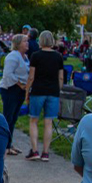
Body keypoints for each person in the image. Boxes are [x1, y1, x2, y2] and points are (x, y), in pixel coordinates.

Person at [25, 30, 64, 161]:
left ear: (40, 41)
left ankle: (34, 150)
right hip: (53, 91)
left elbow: (31, 76)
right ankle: (46, 152)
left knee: (33, 120)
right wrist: (58, 91)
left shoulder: (35, 56)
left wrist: (27, 92)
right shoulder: (58, 56)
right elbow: (61, 77)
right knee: (49, 122)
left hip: (38, 90)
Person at [0, 34, 30, 155]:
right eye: (24, 41)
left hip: (21, 90)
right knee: (8, 118)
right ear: (17, 43)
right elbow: (8, 74)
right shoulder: (13, 56)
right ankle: (5, 145)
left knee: (14, 118)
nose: (27, 43)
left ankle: (9, 143)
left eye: (27, 41)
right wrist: (20, 84)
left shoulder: (25, 57)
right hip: (10, 89)